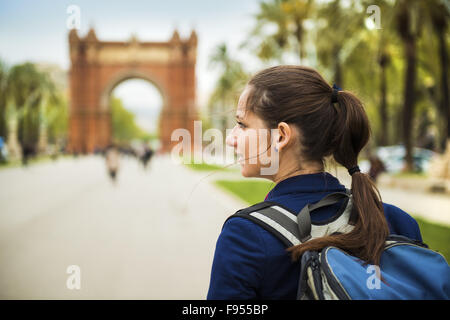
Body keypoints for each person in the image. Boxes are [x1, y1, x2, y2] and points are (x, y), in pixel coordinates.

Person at [207, 65, 422, 300]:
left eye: (242, 125)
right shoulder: (396, 223)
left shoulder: (246, 236)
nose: (231, 139)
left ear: (281, 135)